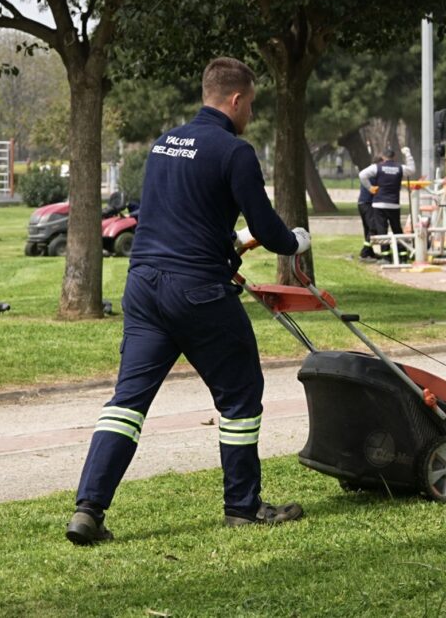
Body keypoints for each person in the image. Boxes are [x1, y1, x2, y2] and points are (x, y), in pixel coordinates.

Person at [66, 57, 311, 545]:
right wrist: (294, 242)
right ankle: (242, 507)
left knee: (127, 403)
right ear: (236, 100)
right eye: (251, 105)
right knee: (241, 394)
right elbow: (268, 228)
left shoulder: (164, 144)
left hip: (144, 288)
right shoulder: (234, 151)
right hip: (198, 292)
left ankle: (88, 509)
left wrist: (227, 247)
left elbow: (179, 220)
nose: (251, 115)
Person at [359, 146, 416, 261]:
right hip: (394, 204)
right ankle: (403, 254)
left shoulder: (377, 167)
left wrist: (370, 188)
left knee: (382, 230)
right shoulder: (400, 168)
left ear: (383, 157)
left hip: (379, 204)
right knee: (397, 229)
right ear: (394, 157)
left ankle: (386, 256)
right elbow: (412, 169)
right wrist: (407, 154)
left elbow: (362, 175)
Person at [355, 156, 384, 260]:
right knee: (373, 228)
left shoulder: (369, 172)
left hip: (362, 203)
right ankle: (365, 252)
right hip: (368, 203)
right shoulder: (374, 173)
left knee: (368, 229)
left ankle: (370, 252)